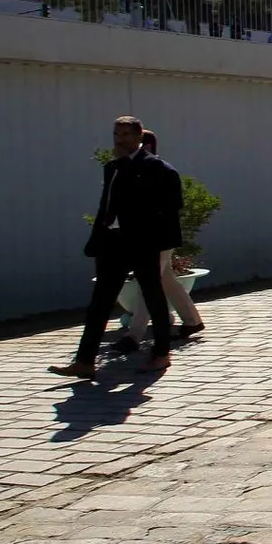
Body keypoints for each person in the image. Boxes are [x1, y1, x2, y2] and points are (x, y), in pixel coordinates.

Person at [51, 116, 182, 378]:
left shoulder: (157, 168)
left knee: (153, 296)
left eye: (125, 135)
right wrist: (99, 235)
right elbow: (106, 203)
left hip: (142, 242)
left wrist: (151, 234)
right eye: (116, 134)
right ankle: (85, 360)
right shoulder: (112, 167)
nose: (119, 140)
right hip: (113, 242)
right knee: (100, 301)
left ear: (139, 138)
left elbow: (170, 205)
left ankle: (161, 353)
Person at [115, 129, 204, 351]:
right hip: (144, 237)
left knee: (151, 282)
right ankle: (192, 321)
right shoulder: (127, 170)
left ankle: (134, 335)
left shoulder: (160, 170)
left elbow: (173, 204)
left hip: (158, 237)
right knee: (165, 280)